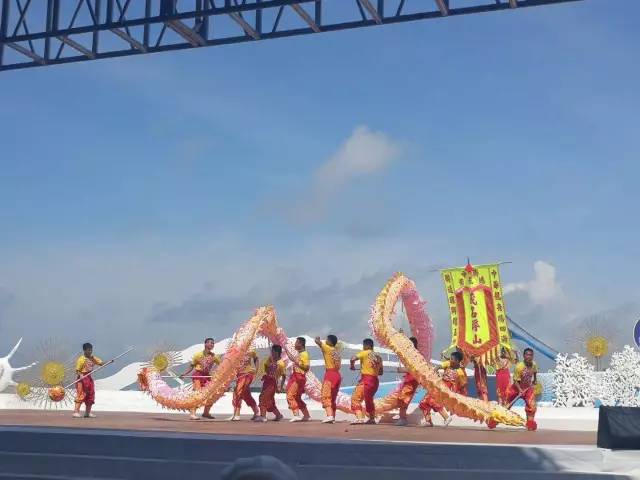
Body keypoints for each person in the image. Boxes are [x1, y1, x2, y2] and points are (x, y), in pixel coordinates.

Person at [418, 350, 467, 427]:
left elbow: (462, 385)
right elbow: (438, 367)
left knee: (433, 401)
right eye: (450, 358)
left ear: (457, 361)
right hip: (439, 385)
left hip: (445, 389)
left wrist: (456, 395)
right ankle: (428, 421)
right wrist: (434, 372)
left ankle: (446, 417)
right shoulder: (448, 363)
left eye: (452, 359)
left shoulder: (460, 372)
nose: (450, 360)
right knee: (424, 403)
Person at [180, 337, 221, 420]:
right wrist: (184, 374)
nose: (212, 344)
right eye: (210, 343)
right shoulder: (198, 355)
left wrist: (217, 372)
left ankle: (206, 413)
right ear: (205, 344)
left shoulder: (214, 356)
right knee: (198, 394)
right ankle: (192, 413)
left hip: (207, 376)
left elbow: (222, 365)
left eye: (213, 343)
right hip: (198, 375)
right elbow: (191, 366)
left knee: (211, 395)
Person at [350, 338, 383, 425]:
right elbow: (381, 372)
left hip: (366, 380)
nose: (363, 347)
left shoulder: (364, 352)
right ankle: (372, 419)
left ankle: (360, 418)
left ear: (367, 345)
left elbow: (353, 358)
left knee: (355, 398)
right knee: (369, 400)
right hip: (375, 381)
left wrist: (352, 366)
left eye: (363, 345)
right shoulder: (378, 356)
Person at [390, 336, 421, 426]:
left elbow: (414, 369)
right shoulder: (410, 355)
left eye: (409, 344)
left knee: (403, 398)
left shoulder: (416, 355)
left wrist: (402, 370)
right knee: (401, 398)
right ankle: (402, 417)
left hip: (412, 380)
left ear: (414, 345)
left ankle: (403, 418)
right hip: (409, 380)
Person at [506, 347, 538, 431]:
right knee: (506, 404)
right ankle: (496, 418)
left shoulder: (534, 364)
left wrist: (535, 380)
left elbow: (535, 372)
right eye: (527, 354)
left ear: (533, 356)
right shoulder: (519, 367)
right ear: (524, 356)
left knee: (532, 406)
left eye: (530, 355)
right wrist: (520, 389)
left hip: (528, 388)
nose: (529, 356)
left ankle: (530, 424)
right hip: (516, 388)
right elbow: (515, 380)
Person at [314, 334, 341, 424]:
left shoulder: (327, 348)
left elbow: (317, 342)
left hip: (330, 374)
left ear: (330, 342)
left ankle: (329, 416)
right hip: (337, 375)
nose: (325, 340)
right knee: (332, 398)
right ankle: (332, 416)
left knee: (325, 395)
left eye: (327, 339)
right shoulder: (337, 352)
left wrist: (317, 339)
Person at [255, 344, 286, 422]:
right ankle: (279, 415)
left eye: (273, 352)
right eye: (271, 351)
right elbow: (266, 367)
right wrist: (268, 368)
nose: (271, 353)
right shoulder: (270, 359)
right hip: (266, 381)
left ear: (277, 352)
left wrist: (281, 387)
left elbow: (284, 376)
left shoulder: (281, 363)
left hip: (273, 383)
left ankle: (263, 416)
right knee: (270, 401)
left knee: (263, 398)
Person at [73, 342, 103, 418]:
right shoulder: (81, 359)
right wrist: (81, 376)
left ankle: (87, 413)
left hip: (89, 378)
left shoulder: (92, 358)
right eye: (88, 350)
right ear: (84, 350)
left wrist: (109, 362)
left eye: (91, 350)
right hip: (82, 379)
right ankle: (76, 412)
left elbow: (101, 363)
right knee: (81, 394)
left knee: (90, 394)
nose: (90, 352)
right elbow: (77, 370)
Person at [229, 349, 259, 421]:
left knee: (238, 391)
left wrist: (256, 369)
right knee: (246, 394)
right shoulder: (235, 350)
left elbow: (256, 359)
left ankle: (237, 414)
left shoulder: (251, 350)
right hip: (239, 375)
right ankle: (256, 412)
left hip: (247, 374)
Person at [285, 337, 311, 422]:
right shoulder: (300, 354)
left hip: (299, 377)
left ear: (300, 344)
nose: (295, 344)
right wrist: (286, 350)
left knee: (290, 395)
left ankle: (296, 415)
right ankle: (306, 415)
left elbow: (306, 367)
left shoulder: (304, 354)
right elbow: (293, 358)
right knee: (297, 397)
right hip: (297, 376)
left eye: (296, 342)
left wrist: (296, 362)